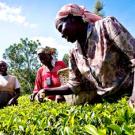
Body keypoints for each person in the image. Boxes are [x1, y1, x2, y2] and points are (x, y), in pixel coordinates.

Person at [37, 4, 135, 107]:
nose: (61, 35)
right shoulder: (74, 53)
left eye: (61, 27)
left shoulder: (106, 27)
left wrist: (133, 98)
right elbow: (74, 85)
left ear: (72, 18)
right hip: (107, 101)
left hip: (129, 93)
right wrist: (48, 91)